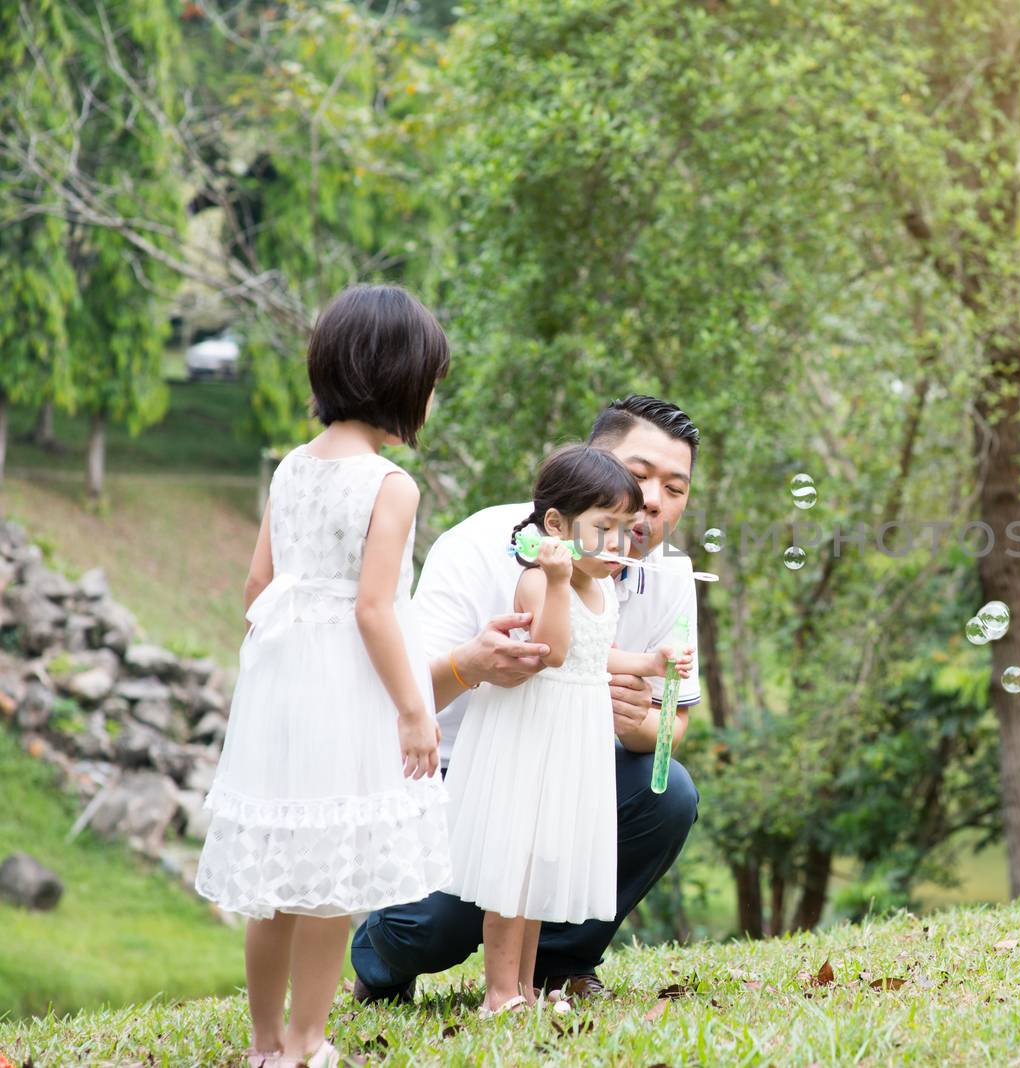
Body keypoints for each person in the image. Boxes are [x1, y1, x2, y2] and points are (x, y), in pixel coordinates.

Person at [351, 395, 703, 1003]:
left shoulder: (671, 575)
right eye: (639, 476)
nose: (652, 502)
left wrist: (640, 726)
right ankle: (382, 951)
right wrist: (471, 665)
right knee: (445, 921)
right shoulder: (483, 545)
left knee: (669, 792)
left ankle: (558, 964)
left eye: (675, 488)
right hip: (458, 774)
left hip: (572, 773)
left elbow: (671, 729)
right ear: (589, 468)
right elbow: (398, 699)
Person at [194, 284, 453, 1068]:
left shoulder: (290, 469)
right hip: (351, 685)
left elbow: (254, 589)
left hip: (283, 681)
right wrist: (414, 710)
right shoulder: (390, 485)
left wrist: (282, 663)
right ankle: (308, 1043)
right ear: (400, 379)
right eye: (432, 382)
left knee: (277, 872)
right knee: (330, 877)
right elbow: (375, 610)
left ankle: (266, 1043)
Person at [445, 445, 693, 1015]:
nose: (619, 545)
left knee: (537, 876)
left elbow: (598, 655)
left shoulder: (601, 589)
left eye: (625, 531)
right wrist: (557, 579)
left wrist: (653, 663)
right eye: (602, 529)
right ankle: (499, 993)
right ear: (555, 526)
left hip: (569, 745)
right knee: (514, 872)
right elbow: (554, 652)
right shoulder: (539, 583)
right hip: (530, 740)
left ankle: (527, 988)